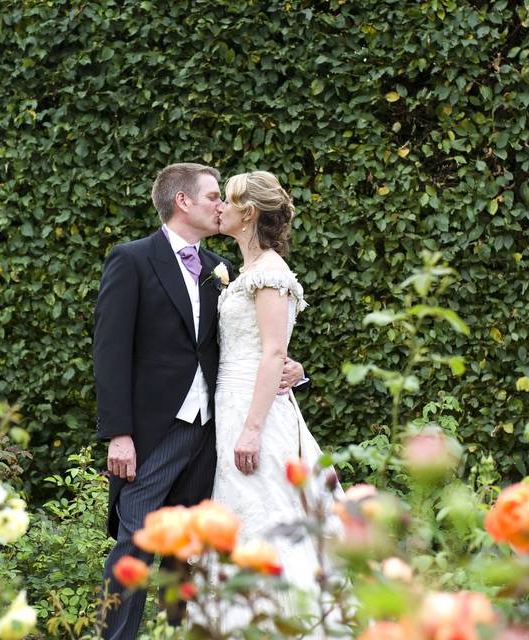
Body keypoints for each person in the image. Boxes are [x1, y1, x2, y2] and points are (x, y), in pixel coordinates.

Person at [93, 163, 305, 640]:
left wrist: (294, 369)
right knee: (135, 542)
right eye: (212, 196)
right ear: (182, 202)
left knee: (192, 550)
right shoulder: (132, 259)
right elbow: (109, 352)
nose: (220, 205)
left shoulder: (221, 270)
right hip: (153, 433)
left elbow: (248, 345)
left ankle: (180, 632)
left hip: (214, 430)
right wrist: (119, 434)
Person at [209, 170, 343, 635]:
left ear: (248, 213)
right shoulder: (247, 271)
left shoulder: (270, 272)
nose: (219, 208)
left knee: (270, 516)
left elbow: (272, 351)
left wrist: (252, 429)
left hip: (255, 413)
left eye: (227, 201)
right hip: (230, 406)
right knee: (241, 516)